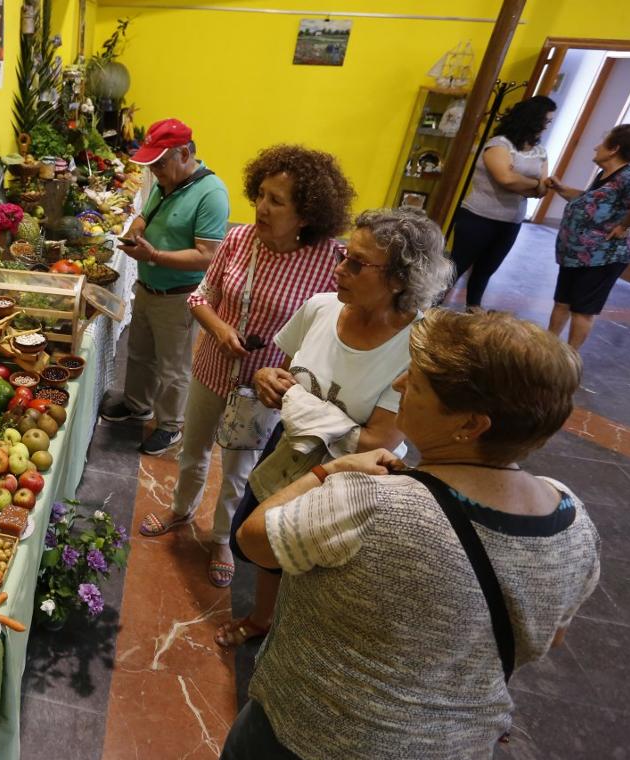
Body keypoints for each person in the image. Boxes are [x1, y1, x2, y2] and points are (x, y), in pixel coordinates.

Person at [215, 309, 600, 760]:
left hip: (309, 742)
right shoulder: (573, 520)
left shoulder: (371, 500)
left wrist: (327, 471)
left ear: (470, 425)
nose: (398, 384)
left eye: (416, 384)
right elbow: (551, 636)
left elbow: (254, 540)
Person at [216, 207, 452, 647]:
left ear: (400, 279)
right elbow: (288, 381)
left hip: (357, 479)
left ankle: (295, 640)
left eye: (357, 264)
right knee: (269, 545)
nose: (339, 269)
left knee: (317, 569)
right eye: (344, 255)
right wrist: (266, 378)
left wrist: (298, 404)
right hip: (290, 450)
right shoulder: (320, 308)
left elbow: (377, 442)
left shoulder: (417, 346)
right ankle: (263, 617)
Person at [136, 145, 354, 590]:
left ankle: (222, 538)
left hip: (265, 389)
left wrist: (292, 373)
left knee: (240, 468)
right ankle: (181, 509)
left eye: (277, 201)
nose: (262, 207)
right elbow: (201, 296)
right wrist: (220, 330)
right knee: (193, 450)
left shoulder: (329, 262)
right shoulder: (238, 241)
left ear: (306, 214)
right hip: (213, 368)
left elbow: (330, 329)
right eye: (261, 195)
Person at [101, 118, 231, 455]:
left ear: (184, 154)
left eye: (159, 164)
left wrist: (155, 255)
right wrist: (136, 228)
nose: (154, 172)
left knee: (173, 367)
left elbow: (207, 256)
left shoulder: (212, 194)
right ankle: (137, 404)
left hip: (178, 296)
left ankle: (171, 425)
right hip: (148, 287)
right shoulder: (167, 181)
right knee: (140, 353)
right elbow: (147, 214)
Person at [546, 123, 630, 349]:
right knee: (562, 302)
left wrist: (625, 225)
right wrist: (561, 188)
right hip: (577, 253)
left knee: (582, 310)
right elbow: (589, 200)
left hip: (603, 256)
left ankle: (570, 359)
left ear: (614, 149)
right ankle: (548, 352)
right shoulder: (606, 174)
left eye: (602, 143)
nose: (596, 147)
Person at [449, 95, 555, 308]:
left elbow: (543, 189)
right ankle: (425, 312)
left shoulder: (540, 152)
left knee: (485, 272)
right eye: (545, 120)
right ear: (532, 119)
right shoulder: (499, 145)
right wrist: (534, 183)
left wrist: (527, 183)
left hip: (511, 222)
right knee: (455, 269)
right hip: (479, 217)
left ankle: (473, 314)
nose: (547, 126)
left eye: (550, 121)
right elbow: (505, 178)